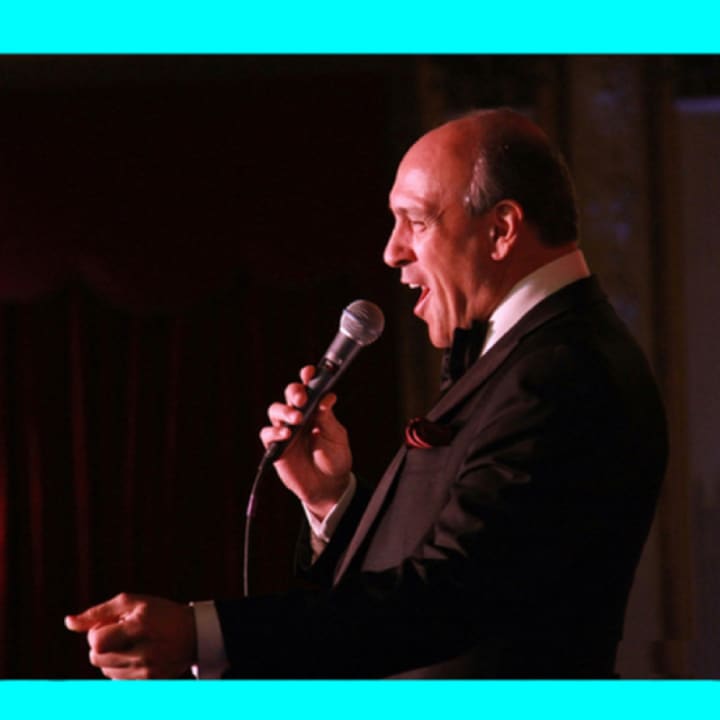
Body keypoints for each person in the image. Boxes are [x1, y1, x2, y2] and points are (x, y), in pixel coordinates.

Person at [65, 108, 668, 678]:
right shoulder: (528, 352)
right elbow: (453, 563)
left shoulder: (561, 370)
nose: (391, 251)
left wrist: (202, 634)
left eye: (416, 221)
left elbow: (449, 597)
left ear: (501, 229)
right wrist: (332, 499)